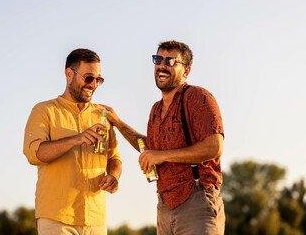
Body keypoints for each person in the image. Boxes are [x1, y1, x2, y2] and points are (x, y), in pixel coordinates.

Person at [103, 40, 225, 234]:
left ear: (186, 71)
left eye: (170, 61)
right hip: (164, 206)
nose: (162, 65)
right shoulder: (155, 109)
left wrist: (162, 156)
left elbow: (214, 147)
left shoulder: (197, 97)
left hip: (196, 200)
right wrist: (118, 123)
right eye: (158, 59)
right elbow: (149, 147)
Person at [23, 48, 122, 235]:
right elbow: (34, 154)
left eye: (98, 79)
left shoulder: (103, 115)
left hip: (96, 219)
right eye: (88, 78)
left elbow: (114, 157)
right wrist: (76, 139)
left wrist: (114, 176)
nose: (93, 84)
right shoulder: (44, 110)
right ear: (69, 74)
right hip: (56, 218)